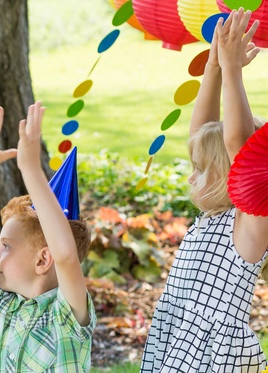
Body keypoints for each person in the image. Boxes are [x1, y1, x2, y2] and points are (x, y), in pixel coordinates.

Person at [141, 9, 268, 372]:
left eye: (200, 170)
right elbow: (203, 131)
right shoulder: (214, 214)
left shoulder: (250, 223)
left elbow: (238, 145)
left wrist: (232, 71)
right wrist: (213, 65)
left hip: (215, 358)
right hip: (180, 342)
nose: (190, 177)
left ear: (234, 176)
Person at [0, 100, 95, 371]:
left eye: (7, 247)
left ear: (43, 259)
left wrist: (31, 170)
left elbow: (66, 256)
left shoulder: (65, 315)